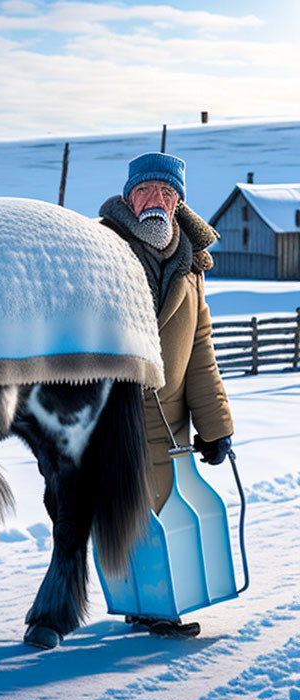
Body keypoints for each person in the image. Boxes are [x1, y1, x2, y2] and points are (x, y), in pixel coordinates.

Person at [99, 152, 234, 637]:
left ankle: (160, 607)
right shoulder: (100, 250)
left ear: (178, 203)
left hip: (167, 421)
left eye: (166, 192)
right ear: (129, 197)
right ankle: (139, 603)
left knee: (160, 515)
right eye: (145, 191)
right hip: (107, 415)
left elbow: (201, 351)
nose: (155, 200)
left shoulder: (192, 268)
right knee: (118, 517)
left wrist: (217, 427)